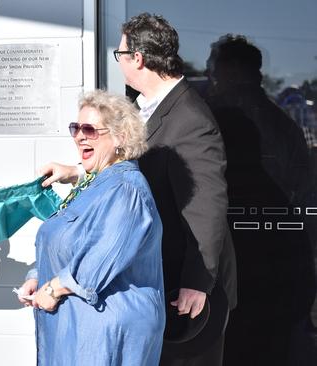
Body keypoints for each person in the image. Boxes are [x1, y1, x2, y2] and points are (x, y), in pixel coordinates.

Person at [40, 13, 237, 365]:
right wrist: (77, 172)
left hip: (184, 288)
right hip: (153, 279)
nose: (119, 62)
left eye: (120, 53)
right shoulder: (143, 107)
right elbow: (132, 171)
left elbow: (207, 206)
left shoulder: (191, 118)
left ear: (138, 59)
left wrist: (197, 282)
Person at [17, 90, 165, 365]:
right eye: (76, 128)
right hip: (77, 325)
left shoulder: (127, 189)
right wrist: (37, 276)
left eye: (89, 129)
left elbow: (97, 260)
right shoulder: (94, 184)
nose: (79, 136)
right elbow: (67, 242)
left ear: (120, 137)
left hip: (105, 329)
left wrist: (52, 290)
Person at [205, 34, 316, 365]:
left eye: (215, 67)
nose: (211, 75)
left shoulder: (221, 122)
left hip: (248, 269)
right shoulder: (281, 124)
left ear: (234, 70)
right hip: (273, 270)